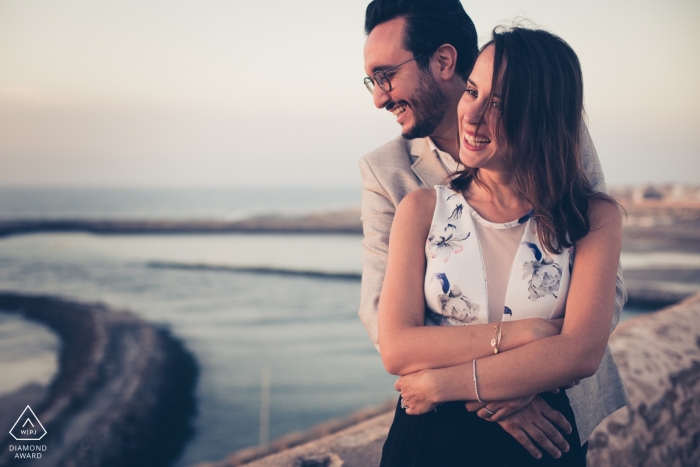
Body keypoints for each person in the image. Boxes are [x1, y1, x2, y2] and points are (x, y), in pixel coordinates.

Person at [359, 0, 628, 461]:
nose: (379, 97)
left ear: (444, 62)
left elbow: (599, 303)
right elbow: (383, 319)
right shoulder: (399, 184)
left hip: (551, 423)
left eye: (386, 76)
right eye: (373, 81)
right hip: (436, 428)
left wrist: (531, 374)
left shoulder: (572, 159)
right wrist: (504, 367)